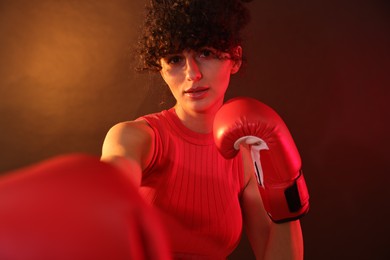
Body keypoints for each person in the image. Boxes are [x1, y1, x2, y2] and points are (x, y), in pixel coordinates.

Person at [101, 0, 308, 259]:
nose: (192, 74)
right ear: (162, 70)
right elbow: (113, 175)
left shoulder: (246, 156)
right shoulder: (138, 137)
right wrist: (104, 188)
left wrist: (287, 189)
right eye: (175, 59)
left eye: (205, 53)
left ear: (235, 58)